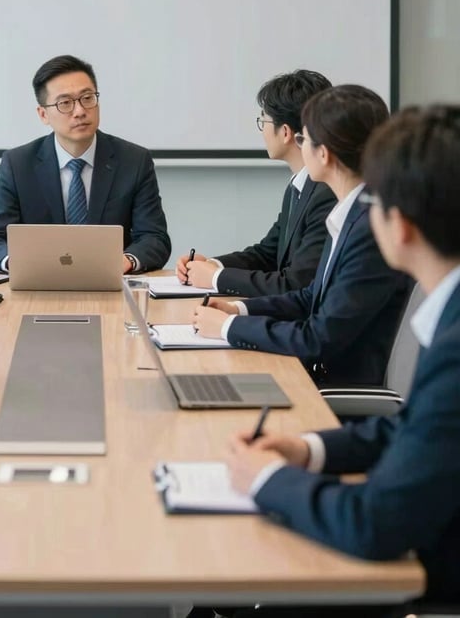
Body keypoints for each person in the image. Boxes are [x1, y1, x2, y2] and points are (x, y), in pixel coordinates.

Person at [214, 104, 460, 617]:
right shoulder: (449, 311)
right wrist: (308, 450)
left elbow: (374, 524)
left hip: (426, 563)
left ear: (401, 226)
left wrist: (265, 478)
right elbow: (416, 428)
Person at [192, 85, 411, 387]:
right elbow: (310, 297)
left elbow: (317, 338)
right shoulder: (352, 213)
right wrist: (239, 309)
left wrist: (229, 327)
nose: (300, 147)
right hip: (315, 372)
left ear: (323, 153)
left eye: (303, 139)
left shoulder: (369, 230)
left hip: (332, 387)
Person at [0, 54, 171, 274]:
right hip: (39, 282)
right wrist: (19, 263)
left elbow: (155, 238)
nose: (79, 111)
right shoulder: (18, 164)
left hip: (110, 282)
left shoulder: (134, 161)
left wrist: (127, 261)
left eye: (87, 98)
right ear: (43, 114)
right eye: (65, 103)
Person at [176, 70, 335, 297]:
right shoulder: (298, 187)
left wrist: (215, 278)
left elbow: (296, 283)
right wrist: (212, 265)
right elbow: (267, 253)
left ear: (286, 132)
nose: (263, 131)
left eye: (264, 121)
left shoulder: (325, 194)